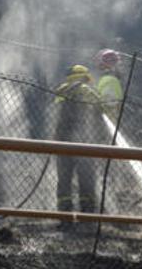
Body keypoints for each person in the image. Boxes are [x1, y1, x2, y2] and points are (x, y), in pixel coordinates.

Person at [53, 64, 106, 219]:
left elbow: (58, 116)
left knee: (64, 179)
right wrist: (101, 138)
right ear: (84, 77)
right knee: (87, 177)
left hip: (63, 142)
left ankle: (64, 213)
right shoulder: (90, 91)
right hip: (86, 142)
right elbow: (99, 116)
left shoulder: (62, 90)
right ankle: (87, 213)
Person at [95, 49, 123, 119]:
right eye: (116, 62)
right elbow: (110, 104)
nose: (119, 66)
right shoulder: (110, 80)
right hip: (109, 119)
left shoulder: (107, 79)